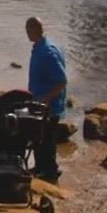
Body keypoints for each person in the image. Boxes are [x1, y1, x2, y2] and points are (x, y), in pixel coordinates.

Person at [25, 17, 68, 180]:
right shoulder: (38, 47)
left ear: (37, 29)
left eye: (29, 29)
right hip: (39, 102)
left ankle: (50, 171)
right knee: (39, 137)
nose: (27, 33)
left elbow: (62, 80)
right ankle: (40, 167)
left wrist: (46, 99)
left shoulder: (48, 51)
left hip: (50, 105)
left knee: (47, 140)